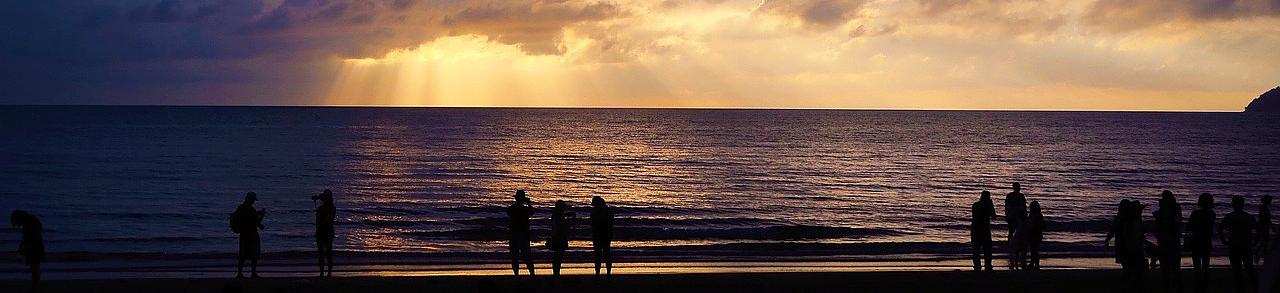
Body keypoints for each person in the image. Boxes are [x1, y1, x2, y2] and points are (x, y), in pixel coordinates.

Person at [1220, 195, 1258, 293]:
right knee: (1249, 267)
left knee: (1236, 269)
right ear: (1243, 204)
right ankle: (1254, 286)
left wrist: (1224, 240)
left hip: (1234, 245)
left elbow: (1220, 228)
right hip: (1245, 244)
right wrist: (1255, 241)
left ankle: (1240, 288)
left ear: (1233, 204)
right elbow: (1257, 229)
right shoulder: (1249, 217)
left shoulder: (1229, 216)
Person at [231, 192, 266, 278]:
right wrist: (262, 215)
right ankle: (253, 273)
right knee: (254, 254)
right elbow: (257, 223)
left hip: (243, 234)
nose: (254, 202)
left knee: (242, 254)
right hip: (252, 234)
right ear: (251, 200)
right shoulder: (251, 210)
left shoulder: (240, 209)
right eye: (253, 200)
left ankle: (239, 273)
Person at [1153, 190, 1183, 292]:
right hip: (1171, 241)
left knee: (1167, 266)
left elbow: (1160, 226)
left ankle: (1169, 286)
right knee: (1173, 266)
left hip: (1167, 241)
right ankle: (1173, 286)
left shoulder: (1166, 211)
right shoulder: (1176, 210)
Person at [1187, 193, 1217, 293]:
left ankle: (1198, 285)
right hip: (1206, 241)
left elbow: (1189, 227)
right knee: (1205, 264)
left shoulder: (1195, 213)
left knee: (1197, 265)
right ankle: (1204, 285)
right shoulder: (1212, 214)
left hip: (1196, 241)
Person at [10, 210, 43, 288]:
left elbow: (29, 238)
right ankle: (35, 286)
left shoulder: (29, 224)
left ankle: (35, 287)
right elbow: (27, 237)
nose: (18, 225)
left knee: (34, 268)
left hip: (34, 248)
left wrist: (24, 247)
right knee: (35, 268)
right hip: (36, 247)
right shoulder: (31, 222)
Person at [507, 190, 536, 276]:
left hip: (516, 235)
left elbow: (532, 212)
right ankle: (531, 274)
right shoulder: (522, 209)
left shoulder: (512, 208)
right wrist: (528, 203)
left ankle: (518, 275)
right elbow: (532, 211)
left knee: (516, 257)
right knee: (526, 256)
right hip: (521, 235)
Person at [971, 191, 997, 272]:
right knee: (987, 249)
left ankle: (978, 266)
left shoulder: (975, 205)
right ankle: (987, 265)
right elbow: (994, 216)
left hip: (976, 229)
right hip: (983, 229)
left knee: (976, 249)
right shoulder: (986, 206)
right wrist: (991, 206)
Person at [549, 200, 575, 277]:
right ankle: (556, 273)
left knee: (557, 255)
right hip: (559, 237)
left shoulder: (557, 214)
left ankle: (556, 272)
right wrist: (569, 224)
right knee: (558, 255)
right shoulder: (558, 215)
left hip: (557, 236)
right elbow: (561, 226)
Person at [1004, 183, 1027, 270]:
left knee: (1016, 233)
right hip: (1014, 217)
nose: (1018, 188)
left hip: (1016, 217)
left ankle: (1013, 247)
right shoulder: (1016, 196)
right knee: (1013, 232)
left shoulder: (1018, 196)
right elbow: (1007, 206)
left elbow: (1024, 207)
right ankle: (1012, 247)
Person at [314, 189, 337, 277]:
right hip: (324, 231)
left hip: (326, 231)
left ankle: (327, 272)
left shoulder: (331, 208)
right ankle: (323, 272)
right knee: (324, 252)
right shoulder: (324, 208)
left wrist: (320, 225)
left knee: (327, 252)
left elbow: (328, 218)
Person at [591, 196, 614, 276]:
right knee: (606, 254)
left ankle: (598, 273)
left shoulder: (595, 212)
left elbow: (593, 224)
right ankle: (607, 273)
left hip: (599, 235)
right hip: (605, 235)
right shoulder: (608, 211)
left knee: (598, 254)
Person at [1027, 201, 1045, 270]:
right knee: (1034, 250)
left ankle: (1035, 264)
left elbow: (1032, 225)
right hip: (1036, 234)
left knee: (1034, 250)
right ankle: (1034, 263)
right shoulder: (1038, 215)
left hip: (1035, 234)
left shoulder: (1035, 215)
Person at [1258, 195, 1273, 266]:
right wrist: (1272, 226)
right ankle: (1264, 253)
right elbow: (1266, 219)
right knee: (1265, 240)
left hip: (1263, 226)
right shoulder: (1264, 208)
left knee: (1264, 240)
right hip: (1264, 226)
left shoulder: (1263, 207)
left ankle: (1261, 252)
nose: (1271, 202)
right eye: (1270, 200)